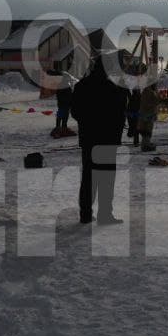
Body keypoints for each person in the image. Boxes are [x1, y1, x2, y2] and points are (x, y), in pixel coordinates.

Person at [70, 54, 129, 225]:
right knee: (106, 179)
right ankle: (104, 214)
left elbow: (75, 112)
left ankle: (85, 214)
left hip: (88, 140)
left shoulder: (81, 86)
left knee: (88, 177)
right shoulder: (113, 88)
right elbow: (120, 112)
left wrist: (88, 123)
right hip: (108, 140)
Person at [137, 81, 159, 152]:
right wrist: (158, 101)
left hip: (148, 114)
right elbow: (148, 103)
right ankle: (145, 146)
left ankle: (146, 144)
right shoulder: (148, 91)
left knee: (146, 130)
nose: (156, 85)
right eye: (155, 84)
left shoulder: (150, 91)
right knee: (146, 131)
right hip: (147, 114)